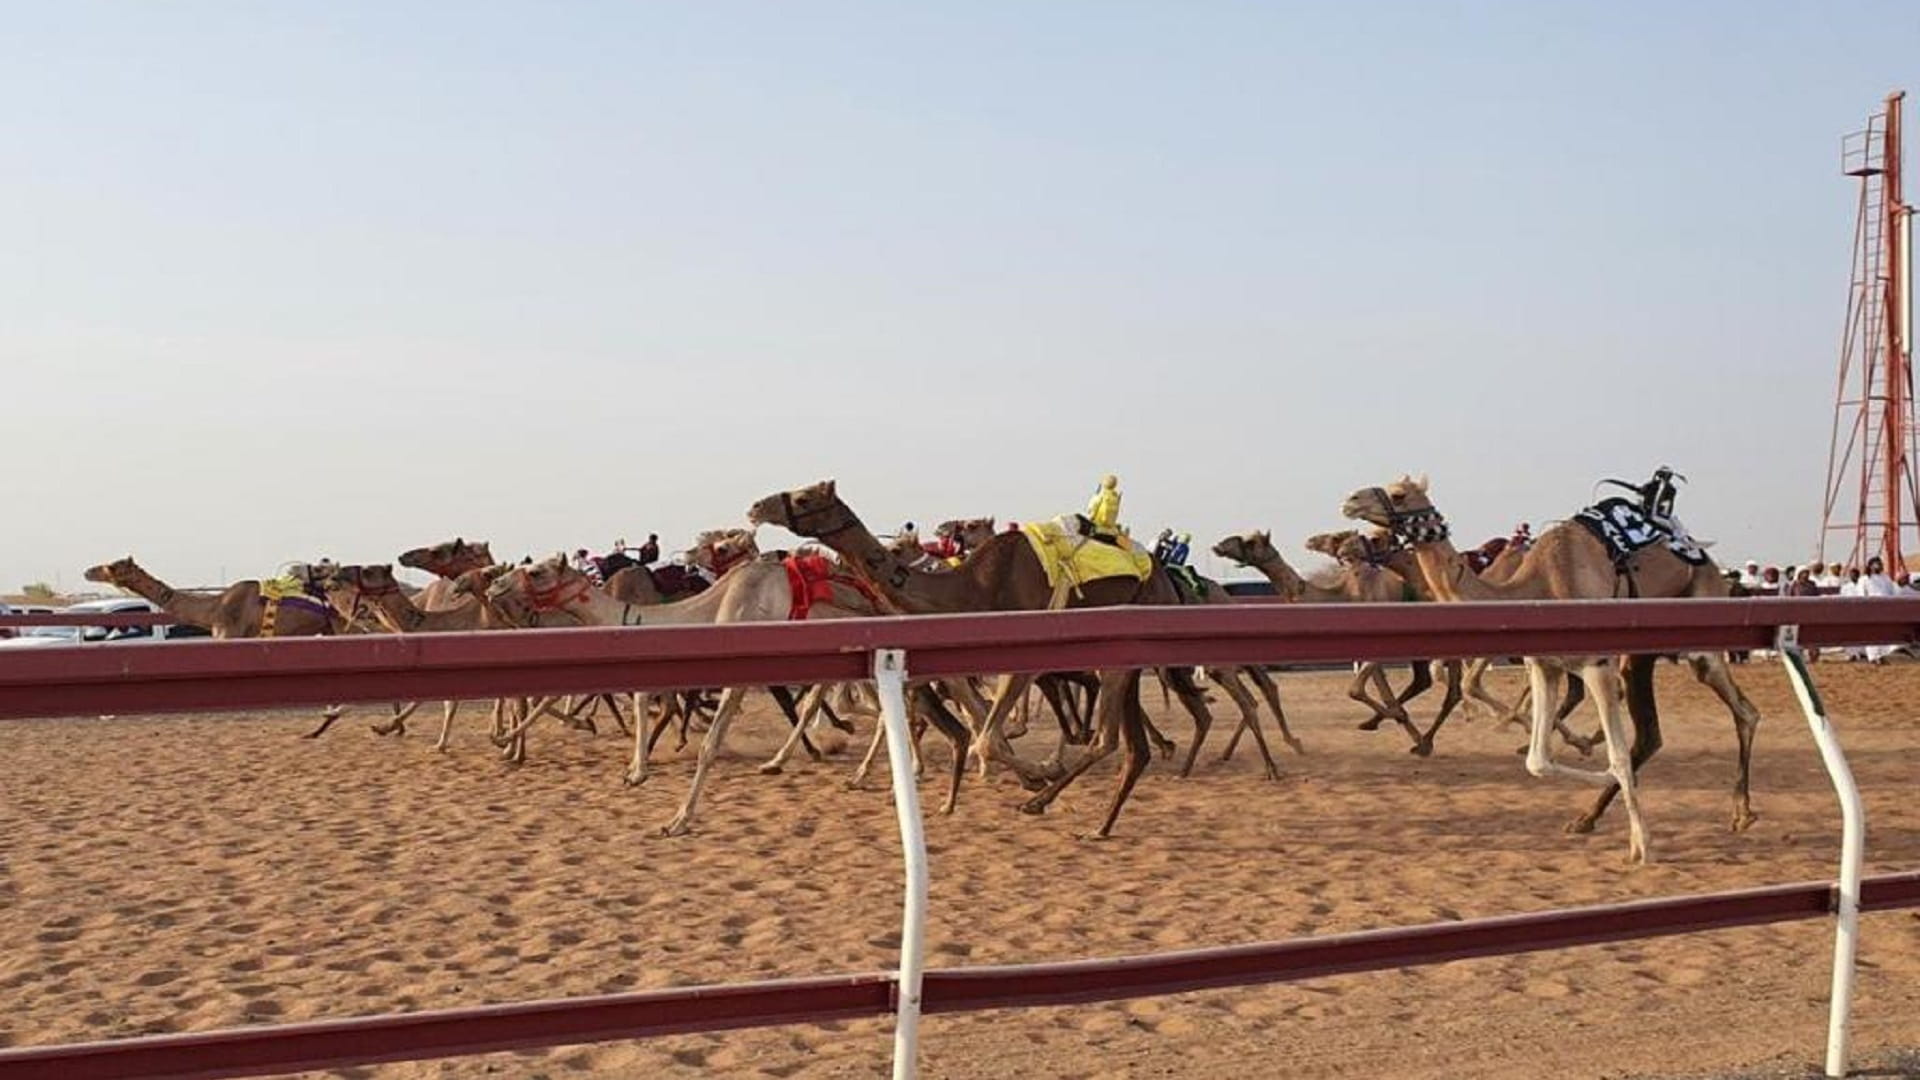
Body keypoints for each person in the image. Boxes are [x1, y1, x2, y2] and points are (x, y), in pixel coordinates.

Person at [1084, 475, 1123, 541]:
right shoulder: (1115, 497)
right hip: (1110, 528)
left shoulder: (1101, 495)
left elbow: (1091, 510)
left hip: (1098, 525)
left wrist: (1089, 519)